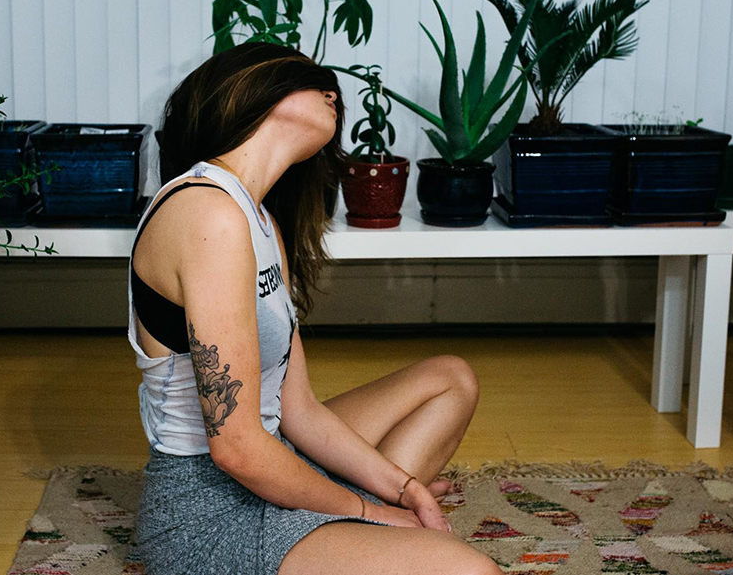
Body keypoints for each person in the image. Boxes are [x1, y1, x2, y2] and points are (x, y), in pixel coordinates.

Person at [128, 42, 499, 575]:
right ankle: (343, 530)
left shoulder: (259, 220)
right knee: (472, 572)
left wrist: (405, 489)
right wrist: (371, 512)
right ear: (252, 91)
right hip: (208, 513)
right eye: (314, 82)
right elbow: (236, 450)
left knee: (451, 379)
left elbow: (298, 411)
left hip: (272, 454)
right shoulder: (205, 213)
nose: (333, 94)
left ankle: (343, 528)